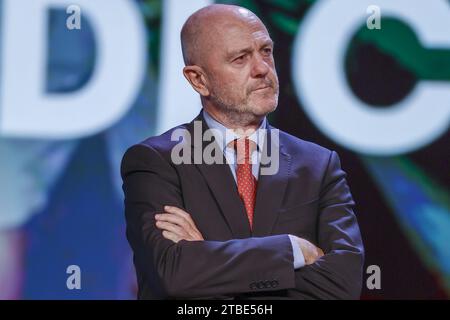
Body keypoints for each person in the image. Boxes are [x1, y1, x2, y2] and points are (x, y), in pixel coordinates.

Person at [121, 4, 364, 300]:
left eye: (265, 51)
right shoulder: (157, 163)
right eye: (240, 59)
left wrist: (207, 260)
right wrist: (292, 249)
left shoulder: (318, 165)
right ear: (199, 80)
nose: (263, 69)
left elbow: (343, 284)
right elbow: (173, 276)